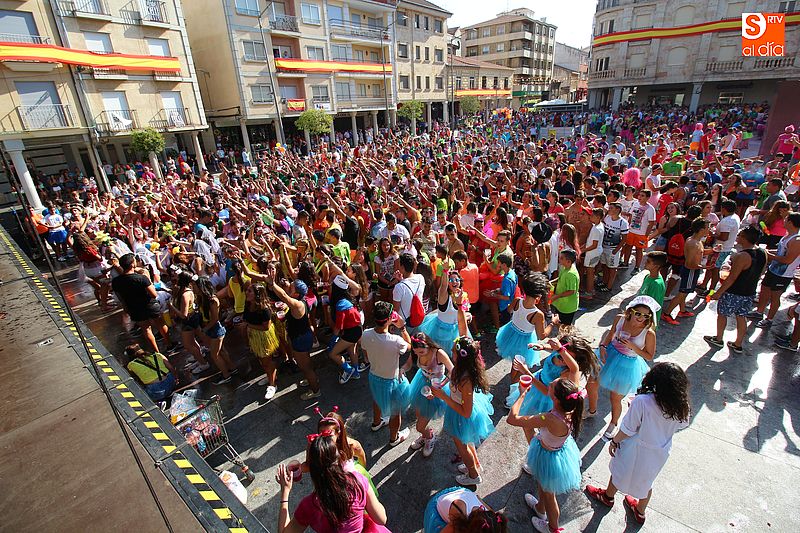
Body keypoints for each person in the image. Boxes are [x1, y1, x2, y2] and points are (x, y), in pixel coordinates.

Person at [586, 363, 691, 526]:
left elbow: (628, 429)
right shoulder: (682, 406)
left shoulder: (643, 401)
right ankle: (640, 511)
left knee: (619, 471)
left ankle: (607, 497)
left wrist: (614, 441)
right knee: (647, 481)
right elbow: (682, 424)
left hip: (635, 447)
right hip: (660, 450)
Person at [508, 378, 584, 533]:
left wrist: (522, 395)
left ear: (556, 398)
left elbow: (512, 419)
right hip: (558, 451)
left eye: (551, 385)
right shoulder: (571, 408)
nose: (548, 384)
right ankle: (539, 508)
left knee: (550, 495)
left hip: (548, 458)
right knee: (544, 484)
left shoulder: (549, 419)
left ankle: (552, 528)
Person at [275, 434, 389, 533]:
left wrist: (285, 491)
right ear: (339, 459)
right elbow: (381, 519)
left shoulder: (309, 505)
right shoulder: (358, 481)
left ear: (312, 470)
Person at [431, 337, 494, 485]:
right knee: (466, 442)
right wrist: (441, 385)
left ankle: (473, 476)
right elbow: (451, 375)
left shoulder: (466, 381)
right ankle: (473, 465)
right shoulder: (460, 367)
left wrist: (444, 397)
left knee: (462, 446)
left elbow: (466, 412)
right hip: (456, 407)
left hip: (461, 416)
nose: (451, 352)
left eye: (453, 351)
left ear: (460, 355)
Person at [597, 296, 659, 441]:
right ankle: (591, 410)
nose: (641, 318)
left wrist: (633, 347)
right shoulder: (619, 318)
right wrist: (603, 346)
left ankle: (613, 423)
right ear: (631, 311)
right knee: (592, 381)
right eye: (638, 313)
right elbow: (611, 333)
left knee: (615, 397)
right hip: (611, 354)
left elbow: (649, 356)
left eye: (646, 316)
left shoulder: (648, 333)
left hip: (627, 365)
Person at [704, 226, 767, 353]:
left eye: (740, 235)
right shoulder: (762, 252)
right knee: (741, 316)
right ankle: (738, 344)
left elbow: (732, 278)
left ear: (745, 238)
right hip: (749, 292)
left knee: (722, 314)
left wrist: (718, 293)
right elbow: (762, 271)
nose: (737, 237)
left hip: (734, 292)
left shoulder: (742, 256)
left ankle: (718, 338)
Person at [360, 301, 412, 445]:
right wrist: (402, 328)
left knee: (377, 399)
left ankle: (376, 423)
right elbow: (409, 346)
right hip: (392, 381)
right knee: (395, 411)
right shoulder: (396, 340)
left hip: (374, 376)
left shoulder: (365, 334)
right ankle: (394, 438)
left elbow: (365, 353)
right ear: (389, 319)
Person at [112, 253, 177, 355]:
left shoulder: (116, 281)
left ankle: (157, 352)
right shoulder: (141, 278)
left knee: (146, 329)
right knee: (160, 324)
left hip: (133, 307)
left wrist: (126, 308)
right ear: (133, 264)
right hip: (149, 305)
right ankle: (169, 344)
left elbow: (120, 297)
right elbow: (154, 294)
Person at [745, 212, 800, 329]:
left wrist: (770, 255)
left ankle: (769, 319)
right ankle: (759, 312)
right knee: (764, 289)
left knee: (775, 297)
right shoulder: (787, 235)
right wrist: (767, 252)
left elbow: (788, 260)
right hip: (773, 270)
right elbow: (781, 252)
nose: (783, 221)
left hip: (783, 274)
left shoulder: (796, 240)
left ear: (790, 222)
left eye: (785, 219)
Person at [407, 333, 454, 458]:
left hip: (436, 389)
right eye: (416, 353)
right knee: (418, 414)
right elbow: (407, 364)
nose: (418, 355)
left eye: (421, 352)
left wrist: (440, 385)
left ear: (428, 345)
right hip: (421, 384)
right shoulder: (416, 351)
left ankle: (429, 436)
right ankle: (425, 435)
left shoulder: (439, 354)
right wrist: (401, 370)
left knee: (419, 426)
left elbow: (453, 371)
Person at [662, 219, 709, 325]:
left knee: (684, 292)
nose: (709, 230)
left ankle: (682, 311)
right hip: (691, 271)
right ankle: (667, 313)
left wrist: (712, 251)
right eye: (707, 227)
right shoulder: (694, 243)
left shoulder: (695, 241)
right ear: (702, 230)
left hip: (690, 271)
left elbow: (700, 252)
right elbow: (691, 263)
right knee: (682, 293)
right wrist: (706, 267)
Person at [244, 283, 282, 400]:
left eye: (250, 291)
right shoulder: (248, 304)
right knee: (262, 360)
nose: (247, 292)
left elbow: (266, 327)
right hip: (254, 336)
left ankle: (272, 385)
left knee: (267, 360)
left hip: (264, 337)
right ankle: (270, 376)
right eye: (247, 290)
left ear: (257, 294)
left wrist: (248, 325)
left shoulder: (265, 309)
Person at [423, 487, 507, 533]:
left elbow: (477, 497)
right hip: (437, 506)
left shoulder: (491, 519)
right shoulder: (459, 517)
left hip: (463, 493)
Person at [621, 190, 656, 272]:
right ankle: (625, 263)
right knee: (628, 246)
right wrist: (628, 227)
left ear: (648, 198)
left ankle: (637, 267)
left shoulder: (650, 209)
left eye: (642, 196)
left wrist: (646, 235)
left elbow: (651, 223)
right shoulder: (635, 203)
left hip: (641, 234)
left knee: (639, 250)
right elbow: (631, 215)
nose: (639, 197)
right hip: (631, 231)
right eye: (639, 195)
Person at [392, 252, 425, 327]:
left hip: (404, 323)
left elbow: (395, 309)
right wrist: (401, 280)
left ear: (403, 267)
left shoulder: (399, 287)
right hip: (419, 318)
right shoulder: (421, 278)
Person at [637, 251, 667, 325]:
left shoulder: (656, 284)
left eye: (648, 262)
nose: (645, 262)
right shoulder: (647, 276)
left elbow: (652, 307)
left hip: (646, 321)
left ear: (656, 266)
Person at [551, 249, 580, 326]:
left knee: (565, 327)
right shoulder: (564, 268)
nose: (559, 259)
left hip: (568, 307)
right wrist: (551, 282)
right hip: (561, 304)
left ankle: (565, 337)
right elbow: (560, 278)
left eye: (561, 258)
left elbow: (571, 291)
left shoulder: (571, 274)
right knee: (559, 322)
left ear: (568, 261)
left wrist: (557, 296)